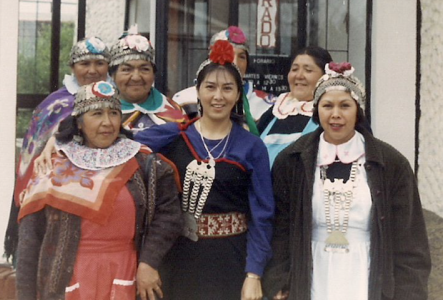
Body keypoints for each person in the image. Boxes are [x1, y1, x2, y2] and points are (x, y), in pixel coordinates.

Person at [263, 62, 431, 300]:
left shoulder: (391, 164)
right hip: (311, 277)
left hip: (366, 277)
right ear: (316, 110)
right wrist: (278, 279)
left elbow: (410, 242)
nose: (336, 115)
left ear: (358, 110)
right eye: (327, 105)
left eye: (345, 106)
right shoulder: (291, 160)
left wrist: (408, 294)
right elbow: (279, 228)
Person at [134, 40, 275, 300]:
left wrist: (254, 274)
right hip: (180, 257)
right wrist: (62, 139)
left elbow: (262, 215)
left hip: (232, 258)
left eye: (227, 88)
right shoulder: (175, 135)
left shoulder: (252, 147)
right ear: (197, 91)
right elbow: (118, 142)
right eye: (210, 87)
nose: (218, 96)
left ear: (237, 95)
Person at [15, 81, 182, 300]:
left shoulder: (144, 164)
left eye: (113, 113)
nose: (107, 122)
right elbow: (29, 241)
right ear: (80, 123)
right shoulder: (52, 167)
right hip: (69, 278)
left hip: (126, 273)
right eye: (96, 114)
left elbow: (168, 215)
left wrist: (148, 262)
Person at [5, 36, 112, 262]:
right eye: (85, 64)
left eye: (99, 63)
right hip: (58, 199)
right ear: (72, 67)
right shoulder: (54, 106)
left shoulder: (117, 101)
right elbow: (31, 157)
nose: (93, 70)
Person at [173, 26, 276, 134]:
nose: (235, 62)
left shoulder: (267, 104)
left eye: (242, 57)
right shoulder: (184, 100)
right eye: (229, 54)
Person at [257, 46, 332, 167]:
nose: (299, 76)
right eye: (294, 69)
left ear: (325, 77)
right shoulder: (276, 110)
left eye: (308, 70)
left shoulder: (330, 114)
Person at [109, 25, 187, 133]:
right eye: (127, 69)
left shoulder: (175, 113)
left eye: (144, 69)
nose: (136, 77)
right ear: (112, 75)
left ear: (154, 74)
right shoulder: (100, 111)